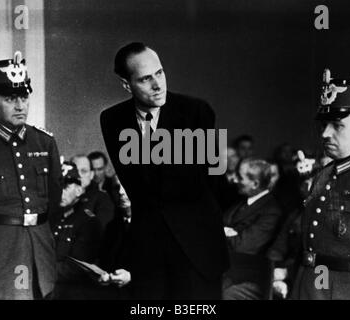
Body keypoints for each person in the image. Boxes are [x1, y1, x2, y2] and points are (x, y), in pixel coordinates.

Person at [100, 42, 228, 299]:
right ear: (126, 84)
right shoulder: (112, 119)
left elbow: (212, 180)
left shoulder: (196, 112)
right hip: (148, 249)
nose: (158, 85)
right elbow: (136, 184)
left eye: (160, 73)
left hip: (196, 248)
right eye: (146, 79)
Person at [0, 51, 62, 299]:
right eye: (11, 98)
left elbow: (54, 202)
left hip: (38, 255)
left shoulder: (44, 142)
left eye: (24, 96)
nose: (20, 105)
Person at [291, 69, 350, 300]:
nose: (325, 133)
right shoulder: (326, 173)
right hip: (309, 286)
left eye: (337, 125)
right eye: (323, 125)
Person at [222, 158, 283, 300]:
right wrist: (230, 233)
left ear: (255, 183)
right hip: (227, 270)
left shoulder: (272, 210)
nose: (235, 180)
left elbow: (243, 246)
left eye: (240, 177)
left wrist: (223, 231)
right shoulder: (239, 202)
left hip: (245, 277)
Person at [51, 161, 103, 299]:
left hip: (74, 293)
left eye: (66, 186)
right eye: (57, 186)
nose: (60, 191)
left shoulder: (88, 222)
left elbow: (79, 266)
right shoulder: (51, 219)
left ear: (79, 190)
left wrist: (42, 270)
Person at [71, 154, 115, 231]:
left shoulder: (102, 198)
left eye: (84, 171)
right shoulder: (58, 196)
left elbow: (101, 227)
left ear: (91, 174)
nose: (79, 175)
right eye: (74, 170)